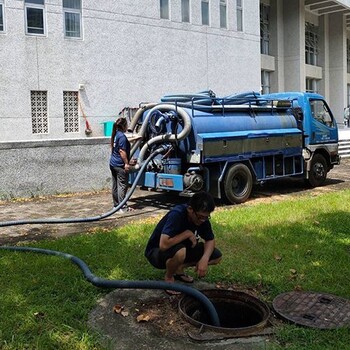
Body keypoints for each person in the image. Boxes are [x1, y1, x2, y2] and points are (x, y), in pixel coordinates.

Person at [144, 191, 222, 295]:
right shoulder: (177, 214)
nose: (203, 220)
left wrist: (204, 259)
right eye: (200, 217)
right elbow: (163, 245)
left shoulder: (202, 219)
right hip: (156, 252)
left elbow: (210, 240)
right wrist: (186, 234)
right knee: (181, 252)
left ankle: (179, 268)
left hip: (183, 249)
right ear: (190, 209)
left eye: (206, 217)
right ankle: (169, 277)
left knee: (216, 256)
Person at [109, 117, 134, 213]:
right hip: (119, 165)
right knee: (122, 185)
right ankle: (123, 207)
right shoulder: (122, 137)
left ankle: (116, 206)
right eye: (126, 124)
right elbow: (121, 151)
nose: (127, 126)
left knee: (115, 185)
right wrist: (126, 163)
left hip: (113, 163)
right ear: (124, 126)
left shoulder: (116, 135)